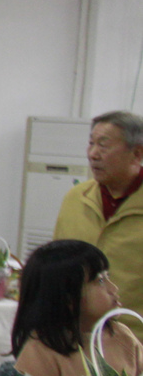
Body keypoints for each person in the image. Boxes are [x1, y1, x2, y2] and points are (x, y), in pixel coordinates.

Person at [13, 239, 143, 376]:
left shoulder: (123, 336)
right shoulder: (43, 346)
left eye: (108, 277)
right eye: (100, 281)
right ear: (68, 298)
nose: (113, 288)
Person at [55, 111, 143, 320]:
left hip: (133, 332)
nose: (93, 154)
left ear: (137, 154)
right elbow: (55, 264)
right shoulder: (77, 198)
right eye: (91, 143)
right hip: (75, 329)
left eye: (103, 145)